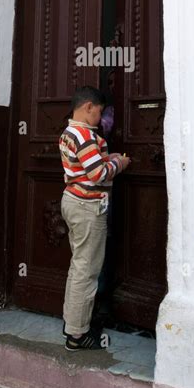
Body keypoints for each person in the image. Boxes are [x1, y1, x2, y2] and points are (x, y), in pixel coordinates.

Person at [59, 86, 130, 350]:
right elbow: (98, 174)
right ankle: (77, 336)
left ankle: (71, 323)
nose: (100, 119)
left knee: (78, 266)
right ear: (88, 106)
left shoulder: (69, 133)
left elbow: (86, 164)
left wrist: (106, 158)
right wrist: (118, 165)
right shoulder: (86, 135)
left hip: (73, 201)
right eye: (99, 112)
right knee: (87, 271)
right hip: (88, 207)